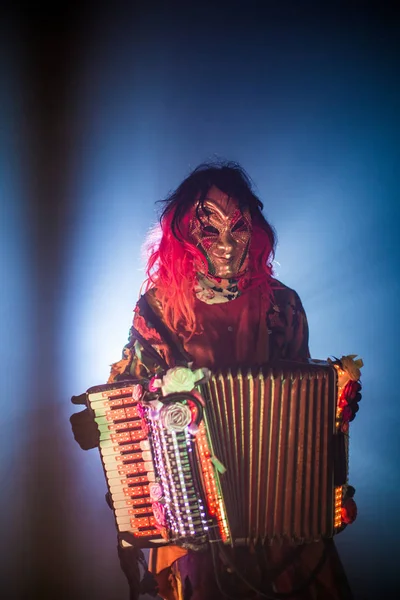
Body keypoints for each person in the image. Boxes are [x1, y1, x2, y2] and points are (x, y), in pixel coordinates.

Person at [72, 161, 353, 599]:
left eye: (238, 228)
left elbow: (307, 408)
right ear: (184, 235)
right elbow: (130, 393)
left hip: (279, 517)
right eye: (209, 230)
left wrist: (335, 412)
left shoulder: (282, 305)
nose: (226, 244)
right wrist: (104, 424)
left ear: (254, 230)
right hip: (190, 510)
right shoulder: (159, 308)